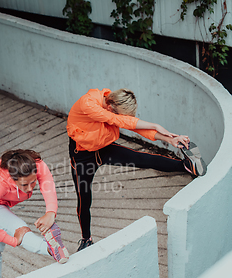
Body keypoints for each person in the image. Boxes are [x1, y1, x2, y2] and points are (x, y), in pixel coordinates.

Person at [67, 88, 207, 252]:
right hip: (82, 157)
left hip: (104, 147)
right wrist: (155, 125)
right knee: (84, 200)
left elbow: (135, 127)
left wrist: (170, 139)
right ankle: (86, 239)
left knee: (141, 158)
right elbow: (118, 121)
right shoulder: (89, 103)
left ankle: (186, 165)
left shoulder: (113, 103)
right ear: (111, 107)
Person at [0, 149, 69, 278]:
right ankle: (51, 249)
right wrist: (12, 240)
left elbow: (47, 185)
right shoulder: (0, 182)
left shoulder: (36, 165)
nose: (30, 188)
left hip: (2, 203)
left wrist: (50, 213)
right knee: (20, 228)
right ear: (13, 179)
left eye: (33, 182)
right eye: (24, 184)